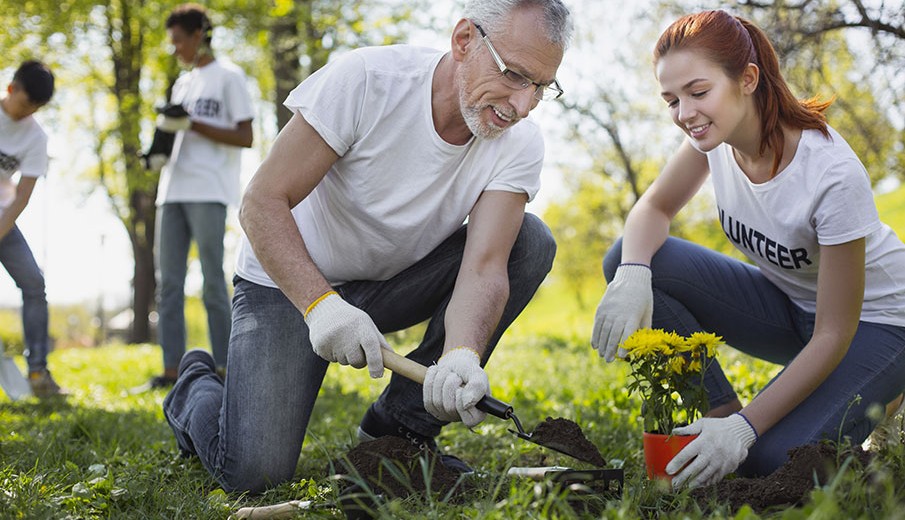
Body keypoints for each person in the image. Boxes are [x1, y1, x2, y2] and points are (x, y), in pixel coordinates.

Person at [163, 0, 572, 493]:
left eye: (540, 88)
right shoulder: (368, 80)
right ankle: (194, 387)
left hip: (390, 286)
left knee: (529, 241)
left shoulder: (519, 142)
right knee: (254, 475)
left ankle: (397, 426)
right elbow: (261, 202)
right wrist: (321, 306)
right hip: (286, 286)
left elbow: (485, 265)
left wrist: (462, 353)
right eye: (513, 75)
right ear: (464, 40)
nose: (522, 105)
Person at [591, 9, 905, 488]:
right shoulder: (712, 140)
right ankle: (719, 409)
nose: (685, 113)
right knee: (630, 257)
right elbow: (652, 209)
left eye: (698, 92)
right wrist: (633, 274)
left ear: (748, 79)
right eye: (671, 100)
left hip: (876, 326)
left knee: (771, 461)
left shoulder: (831, 175)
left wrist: (747, 430)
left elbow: (833, 333)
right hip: (790, 309)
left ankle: (888, 396)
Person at [150, 3, 254, 388]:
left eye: (179, 41)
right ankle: (171, 370)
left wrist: (193, 124)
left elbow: (246, 136)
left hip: (208, 190)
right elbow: (174, 131)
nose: (175, 49)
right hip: (171, 191)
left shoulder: (229, 77)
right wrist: (156, 150)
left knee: (213, 281)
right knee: (169, 286)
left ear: (198, 35)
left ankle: (227, 366)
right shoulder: (182, 82)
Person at [0, 60, 65, 398]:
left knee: (34, 284)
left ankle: (38, 372)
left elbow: (22, 196)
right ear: (11, 89)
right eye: (26, 104)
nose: (29, 114)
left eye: (36, 109)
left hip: (3, 220)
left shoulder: (36, 137)